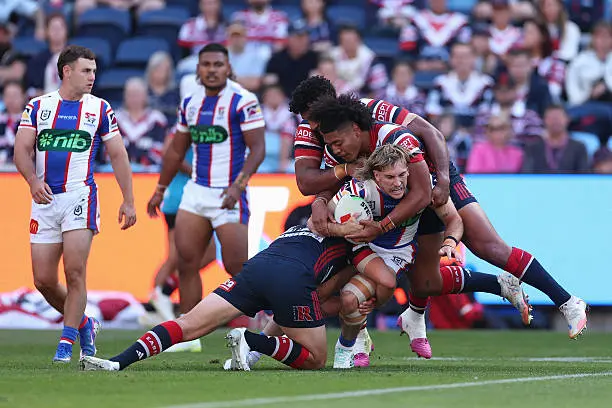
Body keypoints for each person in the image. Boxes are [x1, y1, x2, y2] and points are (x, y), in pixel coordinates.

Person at [289, 76, 587, 359]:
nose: (312, 127)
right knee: (424, 281)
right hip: (393, 194)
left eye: (314, 119)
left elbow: (431, 135)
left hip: (429, 180)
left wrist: (442, 179)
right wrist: (324, 199)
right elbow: (311, 182)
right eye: (309, 121)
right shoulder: (328, 139)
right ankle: (393, 322)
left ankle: (567, 302)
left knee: (488, 246)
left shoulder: (375, 117)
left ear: (334, 106)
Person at [309, 96, 532, 361]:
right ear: (376, 176)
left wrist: (450, 242)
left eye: (402, 175)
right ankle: (350, 343)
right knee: (348, 297)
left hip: (399, 254)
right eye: (390, 177)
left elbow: (455, 220)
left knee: (422, 283)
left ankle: (392, 321)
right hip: (367, 252)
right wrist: (338, 224)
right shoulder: (360, 189)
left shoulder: (421, 189)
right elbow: (318, 222)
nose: (398, 183)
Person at [80, 224, 377, 372]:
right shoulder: (353, 246)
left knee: (187, 324)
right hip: (291, 277)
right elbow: (319, 295)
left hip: (257, 267)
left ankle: (117, 362)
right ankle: (252, 341)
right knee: (316, 359)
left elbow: (287, 312)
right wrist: (353, 305)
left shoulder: (304, 226)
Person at [13, 45, 136, 362]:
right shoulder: (38, 107)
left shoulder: (100, 108)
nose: (92, 76)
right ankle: (84, 324)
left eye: (94, 71)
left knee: (75, 271)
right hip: (44, 200)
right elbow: (21, 150)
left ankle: (66, 343)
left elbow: (118, 154)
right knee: (43, 280)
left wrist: (128, 200)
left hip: (80, 196)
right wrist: (33, 181)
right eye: (86, 70)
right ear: (66, 71)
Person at [146, 43, 265, 350]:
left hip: (228, 193)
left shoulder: (243, 100)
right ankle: (188, 333)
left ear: (228, 68)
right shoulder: (190, 102)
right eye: (206, 64)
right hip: (196, 192)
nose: (212, 70)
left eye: (218, 64)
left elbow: (258, 149)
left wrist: (238, 186)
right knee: (187, 261)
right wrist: (160, 189)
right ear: (198, 69)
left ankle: (260, 325)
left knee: (237, 266)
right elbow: (176, 150)